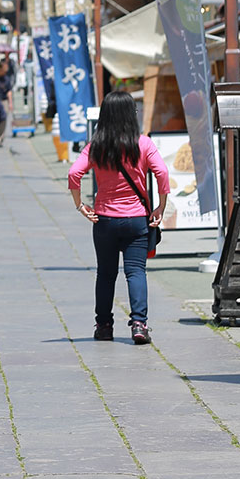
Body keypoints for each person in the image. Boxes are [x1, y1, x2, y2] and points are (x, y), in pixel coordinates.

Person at [68, 90, 169, 345]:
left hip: (104, 219)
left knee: (106, 273)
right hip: (137, 219)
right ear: (130, 116)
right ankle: (139, 324)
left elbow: (74, 174)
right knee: (135, 272)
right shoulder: (143, 143)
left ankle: (103, 326)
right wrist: (160, 207)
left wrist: (80, 205)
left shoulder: (96, 146)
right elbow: (163, 173)